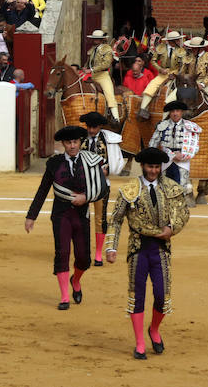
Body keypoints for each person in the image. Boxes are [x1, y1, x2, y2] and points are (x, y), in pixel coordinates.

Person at [106, 147, 189, 360]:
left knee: (162, 296)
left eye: (156, 167)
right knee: (137, 296)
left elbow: (183, 213)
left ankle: (153, 329)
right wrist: (111, 246)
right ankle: (140, 343)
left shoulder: (171, 188)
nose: (153, 171)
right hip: (138, 248)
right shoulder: (129, 190)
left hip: (161, 249)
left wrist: (173, 229)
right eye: (150, 167)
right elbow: (116, 219)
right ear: (142, 167)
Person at [25, 126, 108, 310]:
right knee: (62, 252)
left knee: (83, 258)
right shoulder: (54, 163)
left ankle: (75, 280)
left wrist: (86, 198)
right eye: (69, 143)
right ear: (63, 144)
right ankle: (64, 297)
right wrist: (31, 216)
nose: (72, 146)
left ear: (80, 143)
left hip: (81, 214)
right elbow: (43, 189)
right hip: (61, 213)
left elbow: (103, 188)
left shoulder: (91, 162)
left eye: (75, 142)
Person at [79, 112, 123, 266]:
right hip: (82, 184)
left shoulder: (109, 140)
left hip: (101, 184)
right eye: (89, 127)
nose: (91, 130)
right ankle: (84, 251)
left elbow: (117, 162)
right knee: (82, 217)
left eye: (94, 127)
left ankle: (98, 253)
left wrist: (108, 170)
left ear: (100, 126)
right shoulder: (80, 138)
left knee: (100, 218)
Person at [149, 101, 201, 204]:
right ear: (169, 113)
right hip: (165, 159)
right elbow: (152, 144)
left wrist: (185, 155)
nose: (175, 113)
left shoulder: (190, 126)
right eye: (172, 111)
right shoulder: (162, 126)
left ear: (181, 112)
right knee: (164, 186)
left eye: (177, 111)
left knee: (182, 185)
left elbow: (195, 146)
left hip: (182, 159)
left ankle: (180, 206)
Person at [138, 31, 184, 119]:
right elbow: (153, 60)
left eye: (178, 40)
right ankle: (143, 109)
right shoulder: (161, 48)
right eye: (177, 40)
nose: (179, 41)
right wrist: (160, 69)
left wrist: (176, 74)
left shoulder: (181, 50)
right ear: (171, 41)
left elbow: (183, 65)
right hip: (163, 73)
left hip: (176, 75)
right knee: (152, 85)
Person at [84, 29, 120, 124]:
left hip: (102, 76)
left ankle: (116, 118)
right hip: (92, 75)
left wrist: (91, 69)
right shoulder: (92, 49)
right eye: (94, 39)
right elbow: (88, 62)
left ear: (101, 39)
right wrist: (84, 69)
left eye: (96, 39)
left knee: (109, 95)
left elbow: (106, 64)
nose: (94, 40)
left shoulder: (107, 49)